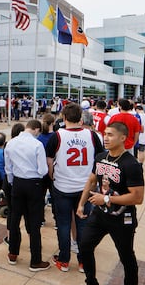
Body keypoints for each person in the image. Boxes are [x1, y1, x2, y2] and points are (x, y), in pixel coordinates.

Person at [71, 122, 145, 285]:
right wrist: (81, 203)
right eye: (105, 134)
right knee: (85, 245)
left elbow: (137, 197)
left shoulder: (131, 164)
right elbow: (92, 180)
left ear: (123, 138)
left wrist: (106, 199)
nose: (106, 137)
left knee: (126, 256)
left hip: (122, 218)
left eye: (111, 134)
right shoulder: (101, 157)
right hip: (99, 215)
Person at [45, 104, 104, 273]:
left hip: (63, 186)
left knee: (63, 224)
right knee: (83, 225)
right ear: (80, 118)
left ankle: (64, 260)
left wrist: (52, 175)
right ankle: (83, 262)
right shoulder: (92, 135)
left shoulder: (57, 136)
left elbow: (49, 160)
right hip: (85, 187)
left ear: (64, 118)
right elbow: (100, 159)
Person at [4, 119, 50, 271]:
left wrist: (12, 181)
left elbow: (8, 167)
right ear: (36, 129)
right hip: (34, 183)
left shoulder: (11, 143)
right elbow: (43, 170)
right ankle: (35, 260)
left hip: (17, 182)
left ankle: (12, 253)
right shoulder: (37, 144)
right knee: (34, 222)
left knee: (15, 218)